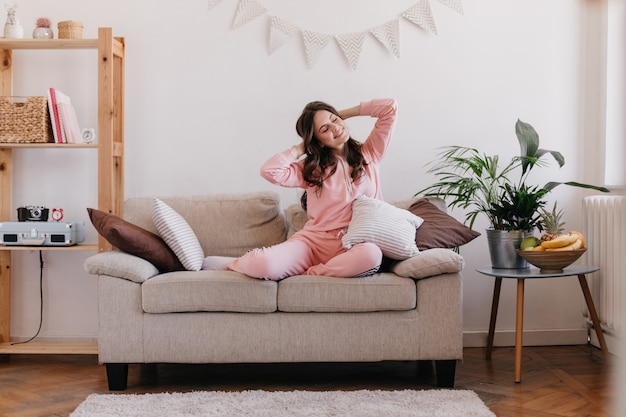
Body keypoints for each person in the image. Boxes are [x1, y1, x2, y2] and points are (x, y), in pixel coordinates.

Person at [224, 98, 397, 280]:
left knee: (372, 254)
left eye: (334, 120)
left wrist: (341, 115)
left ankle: (312, 274)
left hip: (354, 245)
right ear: (318, 141)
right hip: (313, 245)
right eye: (325, 129)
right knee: (263, 264)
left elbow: (389, 108)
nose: (335, 127)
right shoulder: (310, 169)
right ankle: (236, 263)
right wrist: (302, 147)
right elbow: (269, 171)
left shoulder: (370, 153)